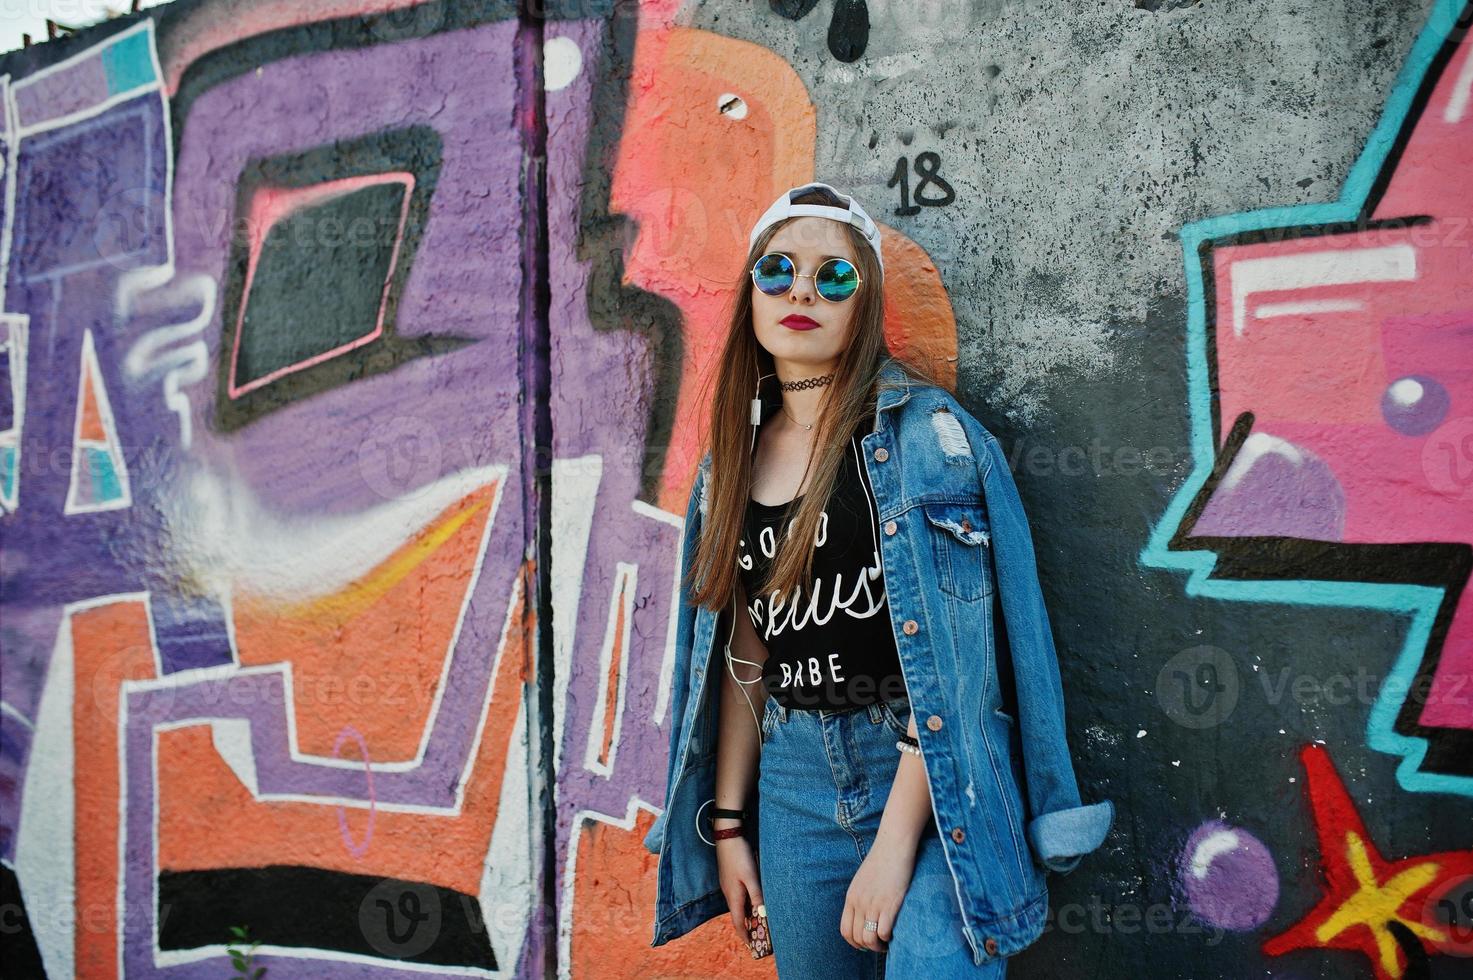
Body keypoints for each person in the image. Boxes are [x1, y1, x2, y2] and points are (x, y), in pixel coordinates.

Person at [643, 181, 1113, 977]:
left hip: (929, 775)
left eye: (834, 277)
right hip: (792, 781)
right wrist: (725, 823)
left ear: (864, 305)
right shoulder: (728, 465)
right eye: (778, 270)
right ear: (751, 294)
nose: (802, 290)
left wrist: (895, 846)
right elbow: (744, 654)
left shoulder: (927, 439)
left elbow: (956, 667)